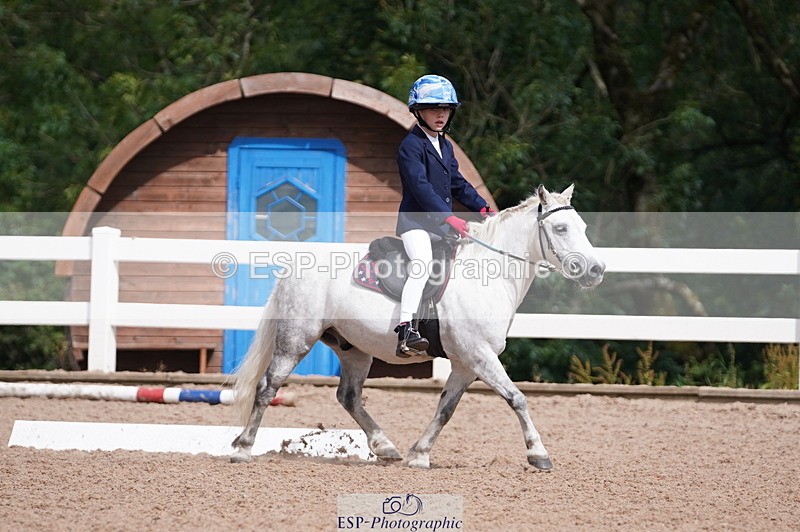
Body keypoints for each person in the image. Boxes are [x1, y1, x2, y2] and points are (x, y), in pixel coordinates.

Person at [394, 74, 495, 357]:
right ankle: (406, 330)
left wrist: (482, 207)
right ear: (418, 111)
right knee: (422, 264)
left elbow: (458, 183)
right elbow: (421, 188)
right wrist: (447, 217)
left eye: (446, 109)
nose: (440, 114)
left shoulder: (445, 144)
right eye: (433, 108)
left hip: (439, 226)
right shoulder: (410, 146)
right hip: (415, 223)